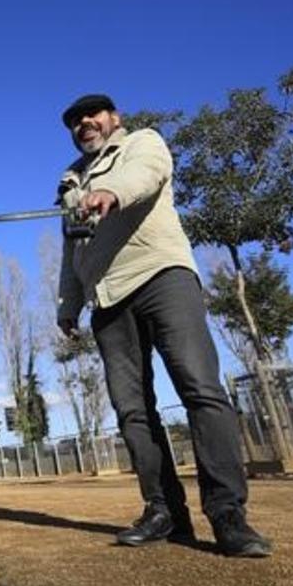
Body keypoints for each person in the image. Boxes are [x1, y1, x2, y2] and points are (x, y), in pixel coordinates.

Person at [55, 93, 272, 558]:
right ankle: (163, 511)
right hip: (107, 299)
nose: (84, 123)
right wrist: (67, 305)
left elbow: (145, 177)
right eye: (75, 121)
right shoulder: (69, 185)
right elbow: (69, 252)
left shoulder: (142, 144)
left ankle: (228, 515)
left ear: (115, 119)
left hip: (161, 276)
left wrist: (111, 193)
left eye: (92, 115)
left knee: (200, 388)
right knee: (132, 409)